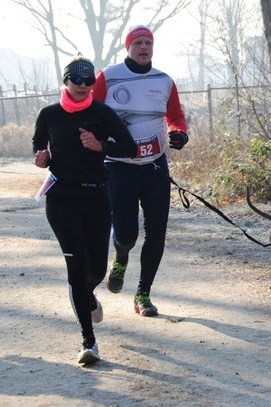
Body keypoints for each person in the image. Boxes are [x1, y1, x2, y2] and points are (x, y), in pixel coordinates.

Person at [32, 55, 136, 364]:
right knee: (77, 270)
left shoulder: (102, 113)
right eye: (76, 79)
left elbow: (129, 147)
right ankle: (89, 342)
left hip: (97, 198)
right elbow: (40, 148)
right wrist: (41, 159)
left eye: (88, 80)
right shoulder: (49, 114)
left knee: (97, 271)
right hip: (61, 200)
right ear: (65, 81)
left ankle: (84, 292)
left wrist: (101, 146)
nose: (82, 85)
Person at [93, 25, 189, 317]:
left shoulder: (164, 81)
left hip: (155, 167)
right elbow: (92, 112)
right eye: (138, 43)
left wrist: (179, 133)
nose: (144, 47)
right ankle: (121, 257)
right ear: (128, 47)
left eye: (148, 42)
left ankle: (143, 295)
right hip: (119, 168)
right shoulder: (108, 77)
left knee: (157, 233)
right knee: (127, 234)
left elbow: (175, 116)